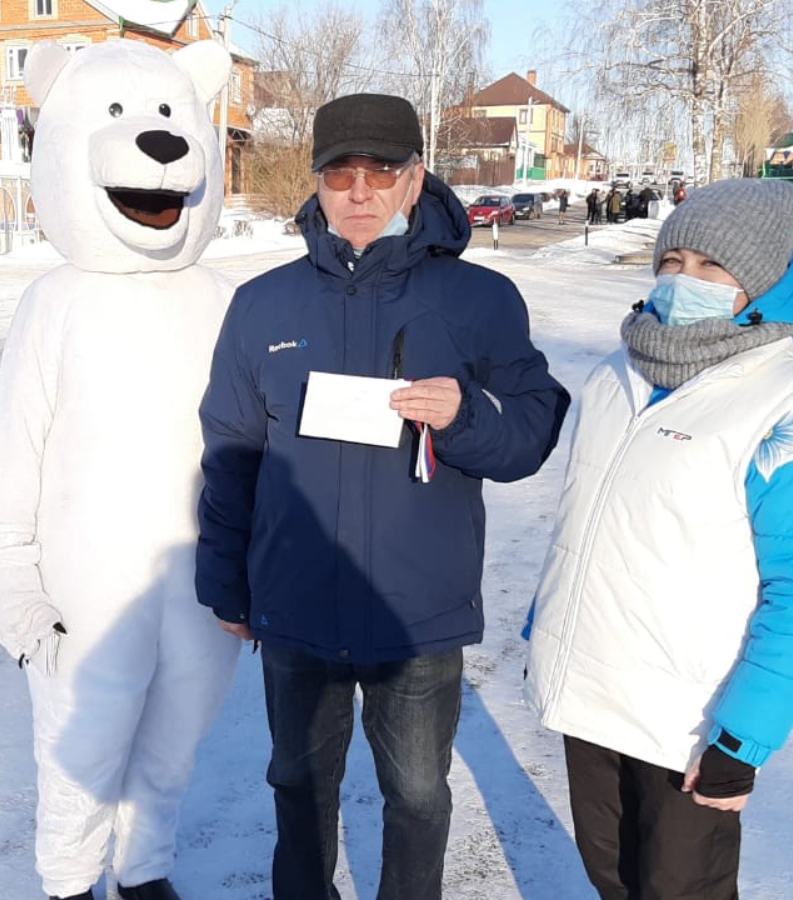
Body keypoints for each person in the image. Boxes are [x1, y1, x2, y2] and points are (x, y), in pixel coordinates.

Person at [197, 92, 571, 900]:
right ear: (317, 181)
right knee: (298, 786)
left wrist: (466, 416)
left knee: (419, 796)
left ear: (416, 177)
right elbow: (231, 452)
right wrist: (226, 582)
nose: (360, 191)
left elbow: (533, 430)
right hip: (296, 605)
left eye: (381, 170)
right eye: (340, 173)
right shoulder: (262, 304)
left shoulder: (478, 300)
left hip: (416, 614)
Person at [523, 178, 793, 900]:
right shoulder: (617, 373)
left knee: (681, 890)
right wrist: (545, 630)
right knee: (613, 880)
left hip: (689, 721)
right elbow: (588, 524)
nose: (685, 279)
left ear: (763, 281)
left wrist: (745, 735)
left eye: (713, 266)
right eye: (673, 261)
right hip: (592, 695)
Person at [0, 39, 240, 900]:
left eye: (169, 116)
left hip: (201, 575)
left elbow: (255, 437)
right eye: (122, 117)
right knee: (82, 744)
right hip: (84, 582)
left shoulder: (221, 299)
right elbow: (16, 443)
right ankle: (67, 882)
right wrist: (10, 573)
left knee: (175, 740)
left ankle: (143, 869)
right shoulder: (56, 301)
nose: (158, 146)